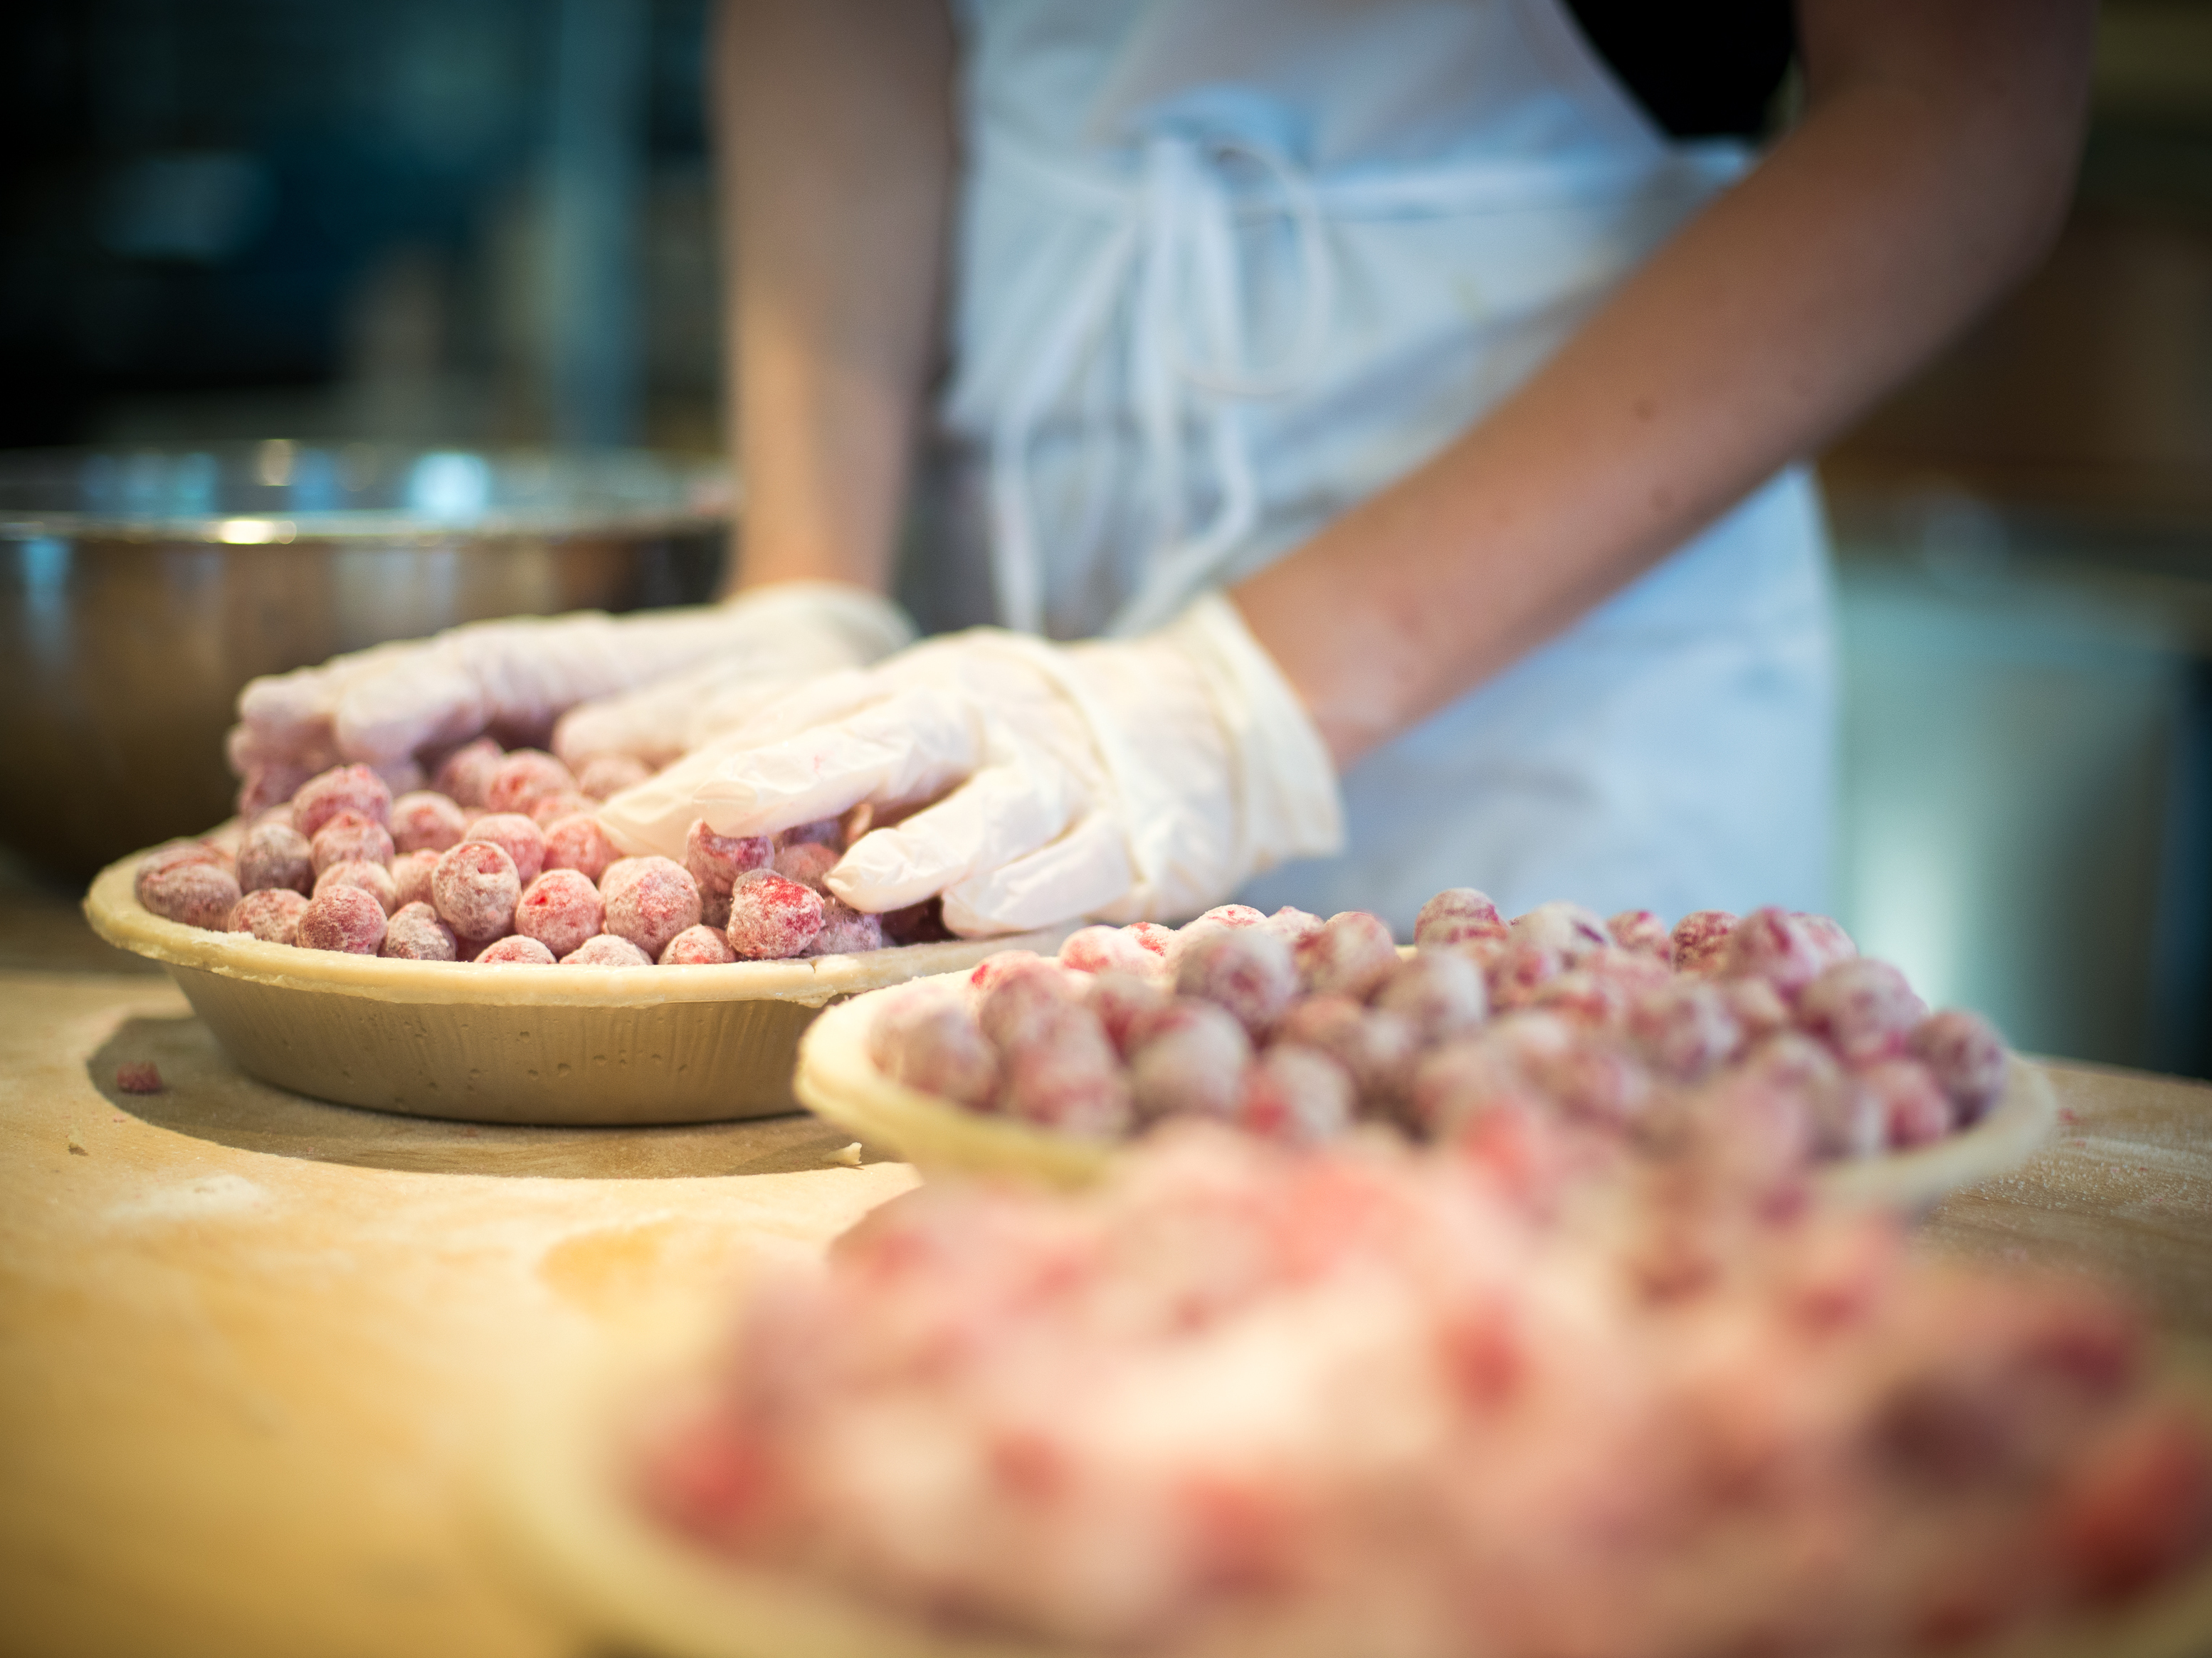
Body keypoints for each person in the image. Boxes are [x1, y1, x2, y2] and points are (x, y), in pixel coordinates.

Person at [231, 0, 2092, 939]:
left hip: (1568, 623)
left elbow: (1969, 94)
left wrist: (1243, 698)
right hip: (1009, 554)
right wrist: (815, 576)